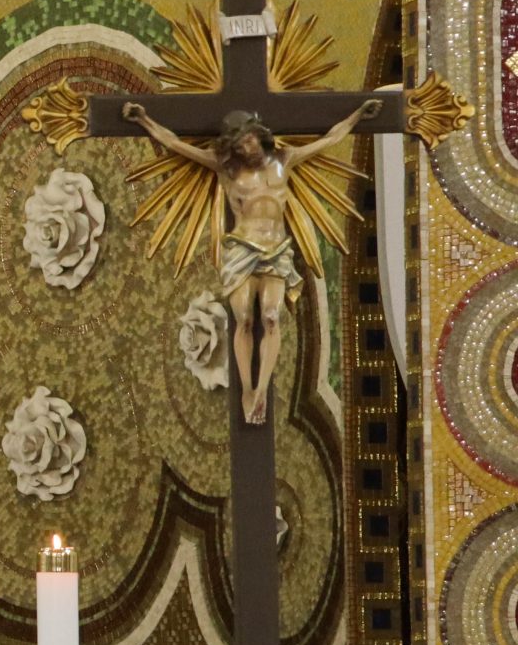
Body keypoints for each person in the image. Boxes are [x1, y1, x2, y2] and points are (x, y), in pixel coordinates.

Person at [122, 98, 381, 424]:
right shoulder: (227, 169)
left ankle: (261, 390)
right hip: (242, 251)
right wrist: (144, 120)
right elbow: (174, 144)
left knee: (271, 316)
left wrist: (357, 116)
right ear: (234, 148)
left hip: (276, 250)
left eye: (251, 139)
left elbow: (330, 139)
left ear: (260, 135)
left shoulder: (284, 159)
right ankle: (247, 388)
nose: (249, 147)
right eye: (241, 144)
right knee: (243, 318)